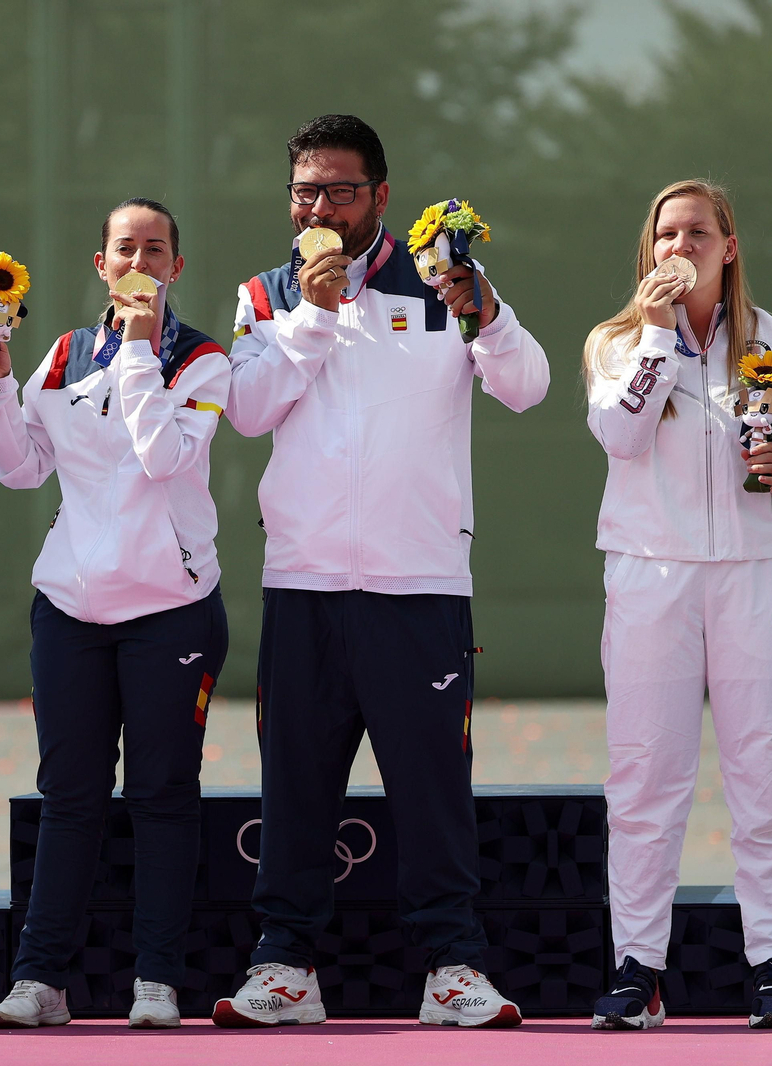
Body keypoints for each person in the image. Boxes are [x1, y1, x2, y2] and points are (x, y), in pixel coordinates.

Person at [212, 114, 548, 1029]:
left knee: (433, 791)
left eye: (340, 191)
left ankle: (452, 969)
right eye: (305, 192)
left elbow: (527, 386)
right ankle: (285, 967)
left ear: (380, 197)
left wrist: (485, 312)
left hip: (420, 583)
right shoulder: (265, 295)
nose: (320, 209)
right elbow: (246, 410)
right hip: (305, 582)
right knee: (296, 788)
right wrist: (314, 316)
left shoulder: (443, 281)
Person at [583, 180, 772, 1032]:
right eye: (666, 233)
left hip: (759, 576)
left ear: (729, 247)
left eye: (698, 232)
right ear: (648, 248)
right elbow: (620, 436)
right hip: (650, 574)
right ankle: (637, 968)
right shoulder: (617, 341)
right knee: (644, 777)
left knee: (770, 774)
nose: (680, 246)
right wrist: (658, 334)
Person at [0, 198, 230, 1031]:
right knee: (69, 797)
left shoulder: (203, 361)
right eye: (126, 248)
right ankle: (40, 979)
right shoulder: (62, 355)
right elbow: (21, 468)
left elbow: (163, 456)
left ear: (176, 268)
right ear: (101, 264)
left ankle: (156, 980)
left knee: (162, 794)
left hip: (172, 610)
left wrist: (138, 350)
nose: (139, 263)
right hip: (70, 609)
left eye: (156, 250)